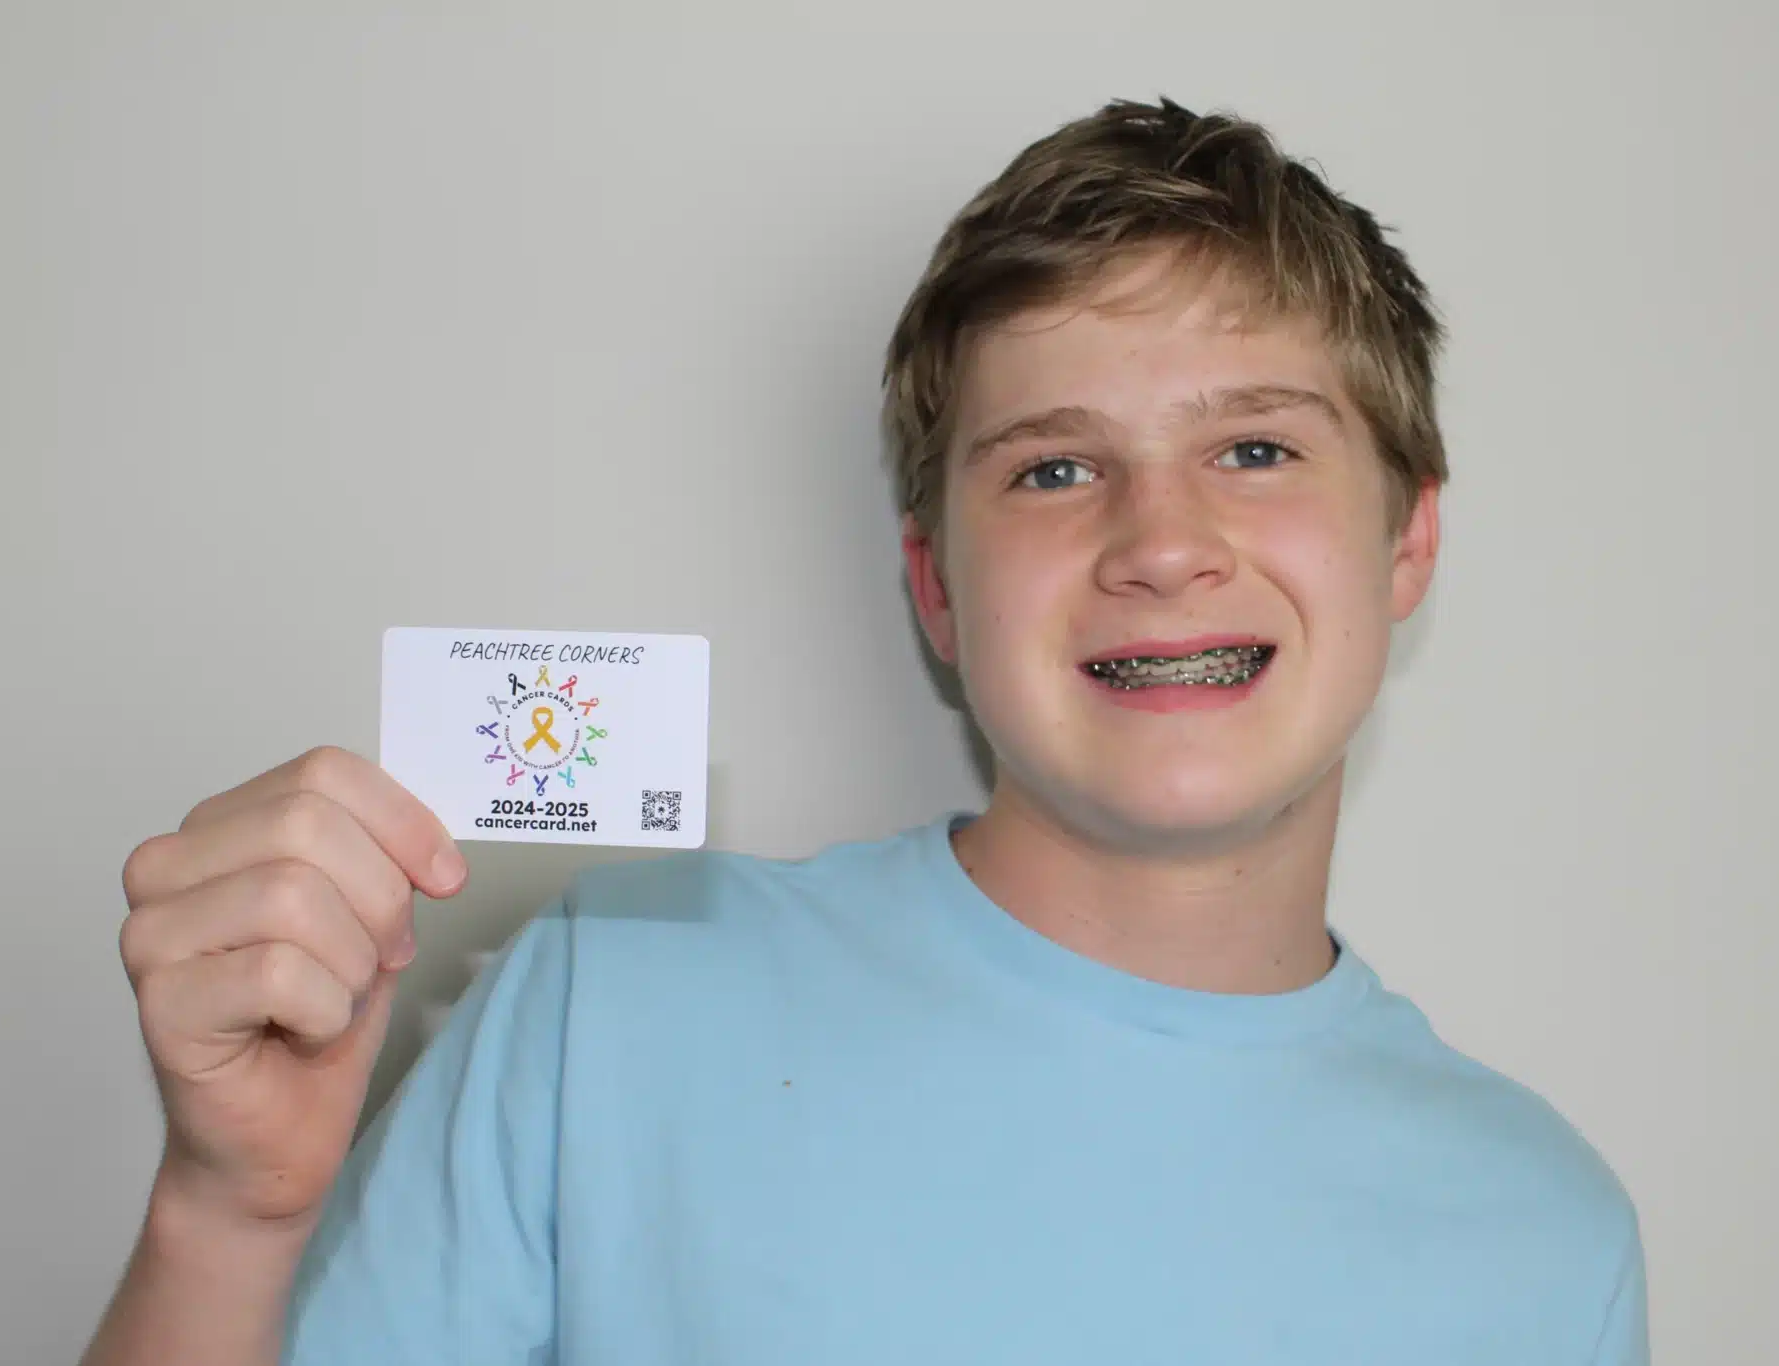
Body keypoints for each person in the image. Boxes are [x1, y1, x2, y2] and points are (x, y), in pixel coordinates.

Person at [83, 96, 1648, 1365]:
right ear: (937, 591)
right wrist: (227, 1217)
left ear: (1406, 543)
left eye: (1253, 446)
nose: (1161, 542)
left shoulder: (1544, 1234)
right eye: (1051, 468)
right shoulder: (610, 999)